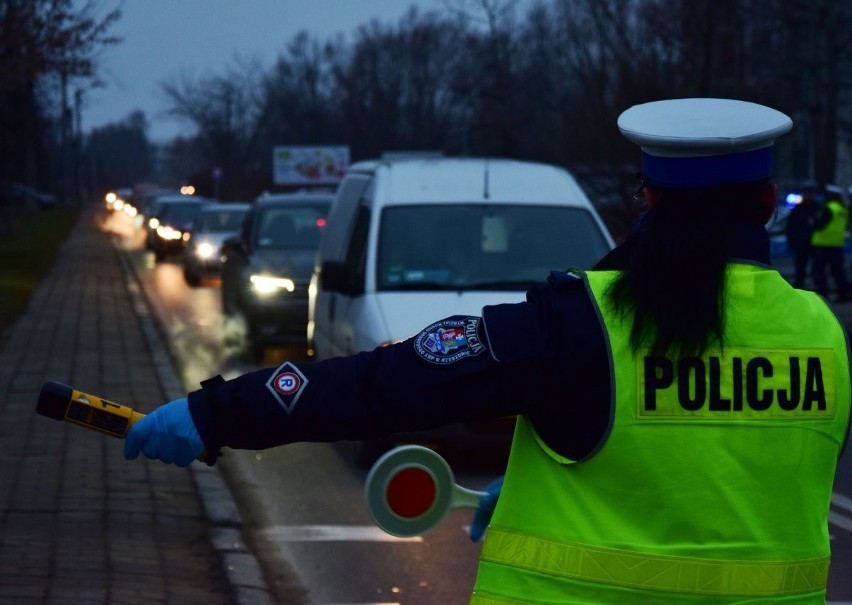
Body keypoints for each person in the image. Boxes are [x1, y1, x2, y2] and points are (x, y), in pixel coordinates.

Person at [124, 98, 851, 604]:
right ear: (767, 204)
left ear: (648, 202)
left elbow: (385, 384)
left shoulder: (579, 324)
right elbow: (727, 466)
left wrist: (217, 410)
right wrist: (577, 477)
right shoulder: (822, 333)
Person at [811, 185, 851, 302]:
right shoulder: (842, 209)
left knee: (819, 272)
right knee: (837, 272)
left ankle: (823, 296)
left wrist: (812, 223)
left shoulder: (829, 208)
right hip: (836, 244)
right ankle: (843, 294)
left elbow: (820, 225)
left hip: (822, 244)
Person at [785, 182, 819, 288]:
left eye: (811, 193)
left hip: (815, 243)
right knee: (800, 267)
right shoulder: (798, 209)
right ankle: (799, 287)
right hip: (801, 243)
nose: (809, 195)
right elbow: (790, 227)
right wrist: (792, 241)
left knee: (817, 268)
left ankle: (819, 287)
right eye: (807, 193)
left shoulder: (817, 207)